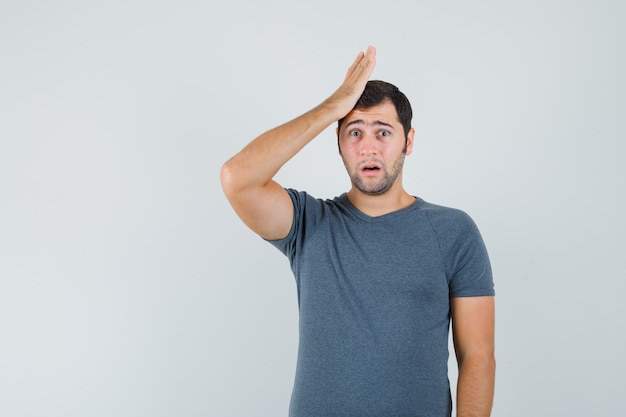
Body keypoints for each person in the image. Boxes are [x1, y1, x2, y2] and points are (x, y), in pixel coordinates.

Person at [220, 46, 495, 417]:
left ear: (408, 142)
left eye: (383, 132)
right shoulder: (307, 223)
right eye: (354, 132)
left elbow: (477, 357)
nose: (368, 147)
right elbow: (238, 179)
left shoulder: (453, 231)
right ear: (338, 143)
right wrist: (333, 106)